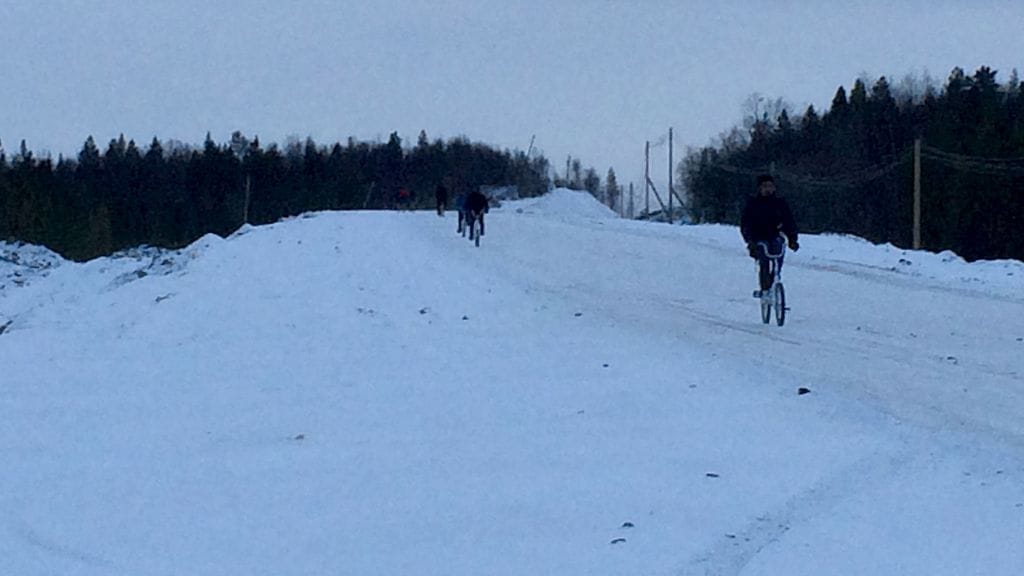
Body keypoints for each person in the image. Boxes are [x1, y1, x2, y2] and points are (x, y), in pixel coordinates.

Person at [740, 174, 799, 296]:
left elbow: (789, 222)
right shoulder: (753, 204)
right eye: (765, 186)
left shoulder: (780, 203)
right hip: (758, 237)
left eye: (771, 186)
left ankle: (775, 278)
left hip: (774, 235)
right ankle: (765, 288)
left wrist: (792, 239)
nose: (768, 189)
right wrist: (750, 242)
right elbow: (745, 225)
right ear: (760, 188)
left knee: (779, 249)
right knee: (764, 258)